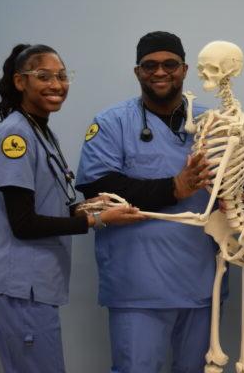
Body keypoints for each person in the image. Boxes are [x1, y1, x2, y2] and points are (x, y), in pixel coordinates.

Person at [0, 44, 145, 373]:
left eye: (61, 76)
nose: (56, 84)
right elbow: (23, 223)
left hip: (35, 286)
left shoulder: (42, 132)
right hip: (20, 285)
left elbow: (47, 206)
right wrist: (97, 219)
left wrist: (88, 206)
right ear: (19, 81)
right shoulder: (17, 137)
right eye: (43, 76)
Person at [75, 31, 217, 373]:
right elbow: (99, 185)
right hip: (138, 284)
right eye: (149, 65)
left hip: (199, 281)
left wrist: (243, 194)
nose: (160, 72)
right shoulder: (111, 123)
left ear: (184, 70)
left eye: (170, 64)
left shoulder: (211, 122)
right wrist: (173, 188)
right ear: (137, 72)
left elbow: (243, 178)